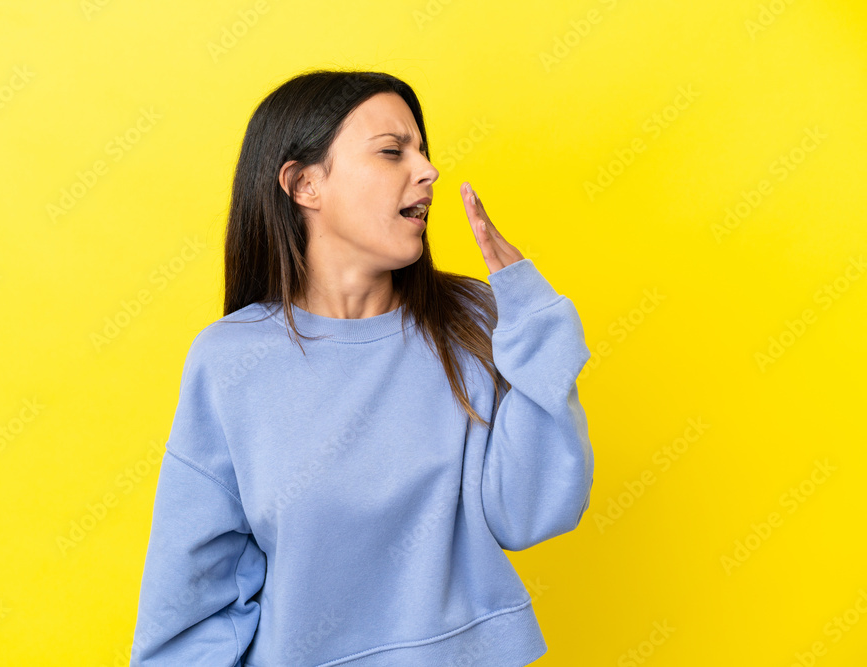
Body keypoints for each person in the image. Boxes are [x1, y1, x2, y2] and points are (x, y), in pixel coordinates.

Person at [130, 68, 594, 666]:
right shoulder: (229, 361)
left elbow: (533, 512)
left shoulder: (471, 320)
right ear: (304, 186)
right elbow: (191, 598)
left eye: (423, 152)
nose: (426, 171)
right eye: (392, 152)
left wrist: (536, 324)